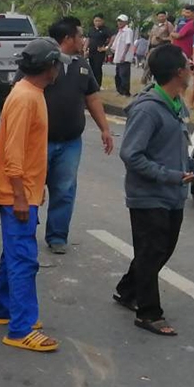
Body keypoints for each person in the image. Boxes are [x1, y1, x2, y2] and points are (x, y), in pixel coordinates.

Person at [114, 43, 194, 337]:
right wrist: (169, 176)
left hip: (172, 194)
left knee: (159, 251)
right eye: (187, 65)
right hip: (149, 195)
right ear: (178, 72)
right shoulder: (147, 110)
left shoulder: (177, 105)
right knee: (152, 251)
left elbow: (178, 150)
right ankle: (148, 313)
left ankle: (128, 290)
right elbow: (131, 155)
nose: (192, 69)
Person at [0, 38, 67, 352]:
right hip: (15, 193)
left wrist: (34, 188)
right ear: (49, 67)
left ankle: (4, 310)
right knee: (23, 259)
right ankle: (20, 329)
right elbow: (13, 153)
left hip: (23, 191)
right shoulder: (25, 97)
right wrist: (21, 195)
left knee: (13, 253)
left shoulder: (31, 93)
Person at [37, 19, 115, 255]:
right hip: (39, 142)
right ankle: (24, 234)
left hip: (70, 142)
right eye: (80, 36)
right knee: (31, 190)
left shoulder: (82, 64)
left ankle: (57, 235)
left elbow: (92, 97)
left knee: (65, 189)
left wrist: (104, 128)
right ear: (68, 39)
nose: (84, 40)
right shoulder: (42, 62)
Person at [109, 14, 136, 96]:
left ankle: (125, 92)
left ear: (125, 22)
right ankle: (120, 91)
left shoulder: (128, 31)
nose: (119, 23)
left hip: (124, 57)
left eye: (121, 21)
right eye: (118, 21)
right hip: (118, 56)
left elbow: (128, 43)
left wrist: (123, 55)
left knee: (124, 75)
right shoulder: (120, 32)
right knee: (118, 75)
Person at [86, 13, 111, 82]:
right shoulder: (91, 29)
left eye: (99, 21)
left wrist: (106, 47)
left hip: (99, 52)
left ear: (102, 21)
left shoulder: (105, 29)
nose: (97, 22)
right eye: (96, 21)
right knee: (91, 68)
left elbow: (112, 38)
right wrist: (85, 49)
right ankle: (92, 83)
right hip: (91, 51)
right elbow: (88, 39)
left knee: (97, 68)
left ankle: (98, 84)